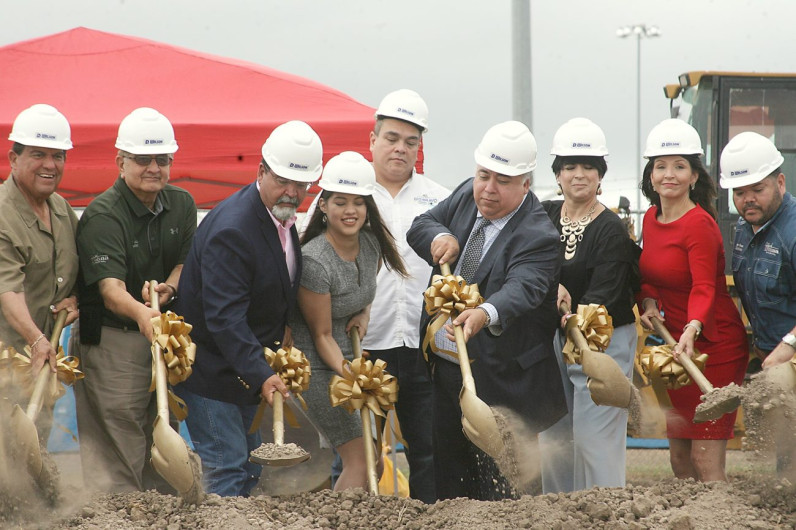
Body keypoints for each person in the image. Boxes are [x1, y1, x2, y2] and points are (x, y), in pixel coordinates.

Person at [407, 120, 567, 501]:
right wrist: (441, 236)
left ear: (526, 184)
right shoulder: (468, 193)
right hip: (448, 373)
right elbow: (422, 224)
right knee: (450, 482)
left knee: (505, 491)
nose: (489, 189)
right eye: (484, 176)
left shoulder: (539, 235)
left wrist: (485, 312)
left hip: (504, 380)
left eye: (503, 181)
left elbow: (523, 288)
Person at [172, 121, 321, 497]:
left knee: (251, 470)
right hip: (212, 372)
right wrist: (261, 372)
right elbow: (223, 316)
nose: (292, 192)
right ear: (261, 170)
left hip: (243, 372)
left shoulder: (280, 219)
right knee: (227, 466)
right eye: (283, 180)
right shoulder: (234, 229)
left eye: (300, 184)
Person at [73, 107, 197, 493]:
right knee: (120, 437)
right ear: (120, 161)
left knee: (161, 436)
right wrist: (145, 315)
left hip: (160, 335)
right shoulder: (102, 215)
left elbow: (184, 261)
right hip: (115, 337)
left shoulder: (182, 203)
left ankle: (157, 516)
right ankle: (119, 516)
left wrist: (170, 289)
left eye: (162, 159)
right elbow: (111, 292)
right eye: (142, 159)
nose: (153, 168)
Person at [637, 118, 747, 482]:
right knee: (680, 463)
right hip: (677, 350)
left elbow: (705, 287)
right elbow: (649, 274)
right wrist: (649, 301)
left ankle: (720, 519)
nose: (669, 174)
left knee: (704, 460)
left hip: (712, 346)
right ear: (650, 176)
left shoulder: (700, 224)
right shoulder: (651, 220)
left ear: (694, 176)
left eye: (680, 166)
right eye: (661, 166)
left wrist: (693, 327)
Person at [292, 151, 407, 491]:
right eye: (340, 202)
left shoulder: (371, 245)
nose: (351, 211)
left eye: (359, 202)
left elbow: (364, 293)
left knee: (374, 456)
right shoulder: (315, 260)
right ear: (323, 206)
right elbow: (321, 334)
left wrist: (364, 314)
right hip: (317, 363)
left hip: (349, 359)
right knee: (361, 459)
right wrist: (352, 375)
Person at [537, 118, 639, 493]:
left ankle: (602, 514)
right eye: (569, 167)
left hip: (603, 341)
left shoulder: (610, 228)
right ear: (558, 174)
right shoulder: (544, 216)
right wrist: (552, 288)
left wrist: (566, 306)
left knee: (595, 438)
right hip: (556, 338)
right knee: (556, 435)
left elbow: (606, 294)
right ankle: (558, 515)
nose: (578, 175)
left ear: (601, 175)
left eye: (588, 167)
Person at [0, 104, 80, 437]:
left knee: (34, 451)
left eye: (58, 155)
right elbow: (9, 289)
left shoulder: (61, 209)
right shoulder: (3, 213)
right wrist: (36, 340)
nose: (50, 164)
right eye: (38, 154)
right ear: (13, 158)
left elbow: (77, 271)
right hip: (8, 359)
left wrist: (74, 298)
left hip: (42, 360)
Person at [719, 131, 796, 474]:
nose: (748, 199)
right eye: (739, 192)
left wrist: (789, 346)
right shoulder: (743, 229)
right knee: (784, 460)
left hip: (788, 356)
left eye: (758, 190)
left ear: (780, 182)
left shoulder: (792, 233)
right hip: (773, 358)